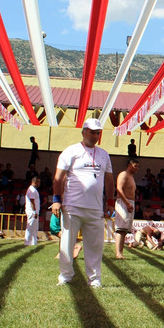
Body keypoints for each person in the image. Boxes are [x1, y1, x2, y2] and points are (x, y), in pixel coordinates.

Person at [52, 118, 115, 288]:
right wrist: (57, 200)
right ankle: (65, 276)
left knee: (95, 246)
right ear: (84, 132)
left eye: (98, 133)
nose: (95, 136)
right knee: (67, 243)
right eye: (92, 132)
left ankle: (94, 280)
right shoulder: (71, 151)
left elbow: (109, 180)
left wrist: (110, 202)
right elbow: (59, 177)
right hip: (72, 206)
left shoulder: (104, 154)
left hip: (95, 209)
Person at [114, 158, 139, 259]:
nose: (137, 168)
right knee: (120, 229)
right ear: (129, 165)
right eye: (135, 166)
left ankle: (120, 252)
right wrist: (127, 203)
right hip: (123, 202)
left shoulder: (131, 177)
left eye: (138, 166)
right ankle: (118, 253)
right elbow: (119, 189)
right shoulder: (123, 174)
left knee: (124, 230)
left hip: (129, 203)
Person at [24, 176, 41, 246]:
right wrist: (34, 211)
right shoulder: (31, 190)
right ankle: (27, 241)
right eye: (38, 182)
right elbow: (32, 201)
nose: (39, 184)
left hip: (35, 211)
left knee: (34, 227)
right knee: (30, 226)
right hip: (32, 211)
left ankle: (33, 241)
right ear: (35, 182)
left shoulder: (34, 190)